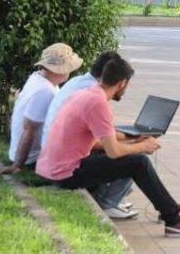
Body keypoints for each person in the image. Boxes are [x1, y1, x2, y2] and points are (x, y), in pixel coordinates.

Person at [36, 57, 180, 238]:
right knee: (139, 162)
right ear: (122, 83)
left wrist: (132, 139)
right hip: (66, 175)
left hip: (52, 168)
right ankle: (174, 221)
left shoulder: (86, 93)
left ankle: (173, 211)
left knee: (132, 156)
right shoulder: (98, 103)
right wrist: (142, 146)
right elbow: (114, 152)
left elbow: (101, 137)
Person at [42, 51, 137, 220]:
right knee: (135, 158)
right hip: (64, 167)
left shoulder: (80, 83)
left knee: (128, 153)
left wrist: (128, 138)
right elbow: (97, 144)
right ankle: (108, 203)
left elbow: (95, 132)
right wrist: (136, 145)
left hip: (51, 159)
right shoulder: (93, 96)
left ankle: (110, 199)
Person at [1, 43, 82, 174]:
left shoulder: (37, 77)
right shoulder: (45, 92)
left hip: (26, 153)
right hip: (31, 159)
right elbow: (29, 130)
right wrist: (17, 165)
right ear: (59, 70)